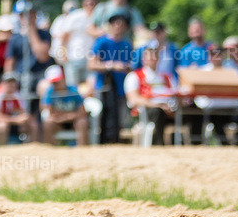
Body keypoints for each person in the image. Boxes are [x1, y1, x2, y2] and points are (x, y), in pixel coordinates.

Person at [88, 10, 135, 143]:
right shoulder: (101, 42)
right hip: (105, 86)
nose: (118, 26)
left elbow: (132, 64)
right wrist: (111, 66)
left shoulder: (127, 44)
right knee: (105, 118)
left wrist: (125, 67)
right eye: (116, 23)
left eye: (122, 24)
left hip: (121, 87)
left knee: (119, 119)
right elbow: (91, 64)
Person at [123, 42, 177, 145]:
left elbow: (175, 95)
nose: (152, 59)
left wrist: (171, 106)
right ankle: (158, 144)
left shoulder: (167, 77)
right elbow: (134, 99)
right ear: (143, 59)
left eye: (155, 56)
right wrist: (159, 105)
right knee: (158, 112)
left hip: (168, 110)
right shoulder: (134, 76)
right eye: (149, 56)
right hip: (146, 111)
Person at [41, 65, 89, 145]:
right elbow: (50, 114)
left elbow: (82, 112)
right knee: (48, 124)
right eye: (53, 83)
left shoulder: (73, 91)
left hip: (74, 122)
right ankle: (49, 150)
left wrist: (65, 117)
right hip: (60, 123)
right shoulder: (49, 93)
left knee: (82, 123)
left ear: (63, 78)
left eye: (57, 81)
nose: (56, 84)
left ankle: (83, 149)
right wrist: (68, 116)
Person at [0, 72, 36, 144]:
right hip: (6, 122)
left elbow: (23, 113)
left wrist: (21, 119)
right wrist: (15, 120)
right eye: (8, 82)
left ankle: (32, 145)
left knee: (31, 124)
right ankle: (2, 147)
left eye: (12, 82)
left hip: (14, 122)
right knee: (2, 126)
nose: (10, 85)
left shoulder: (19, 96)